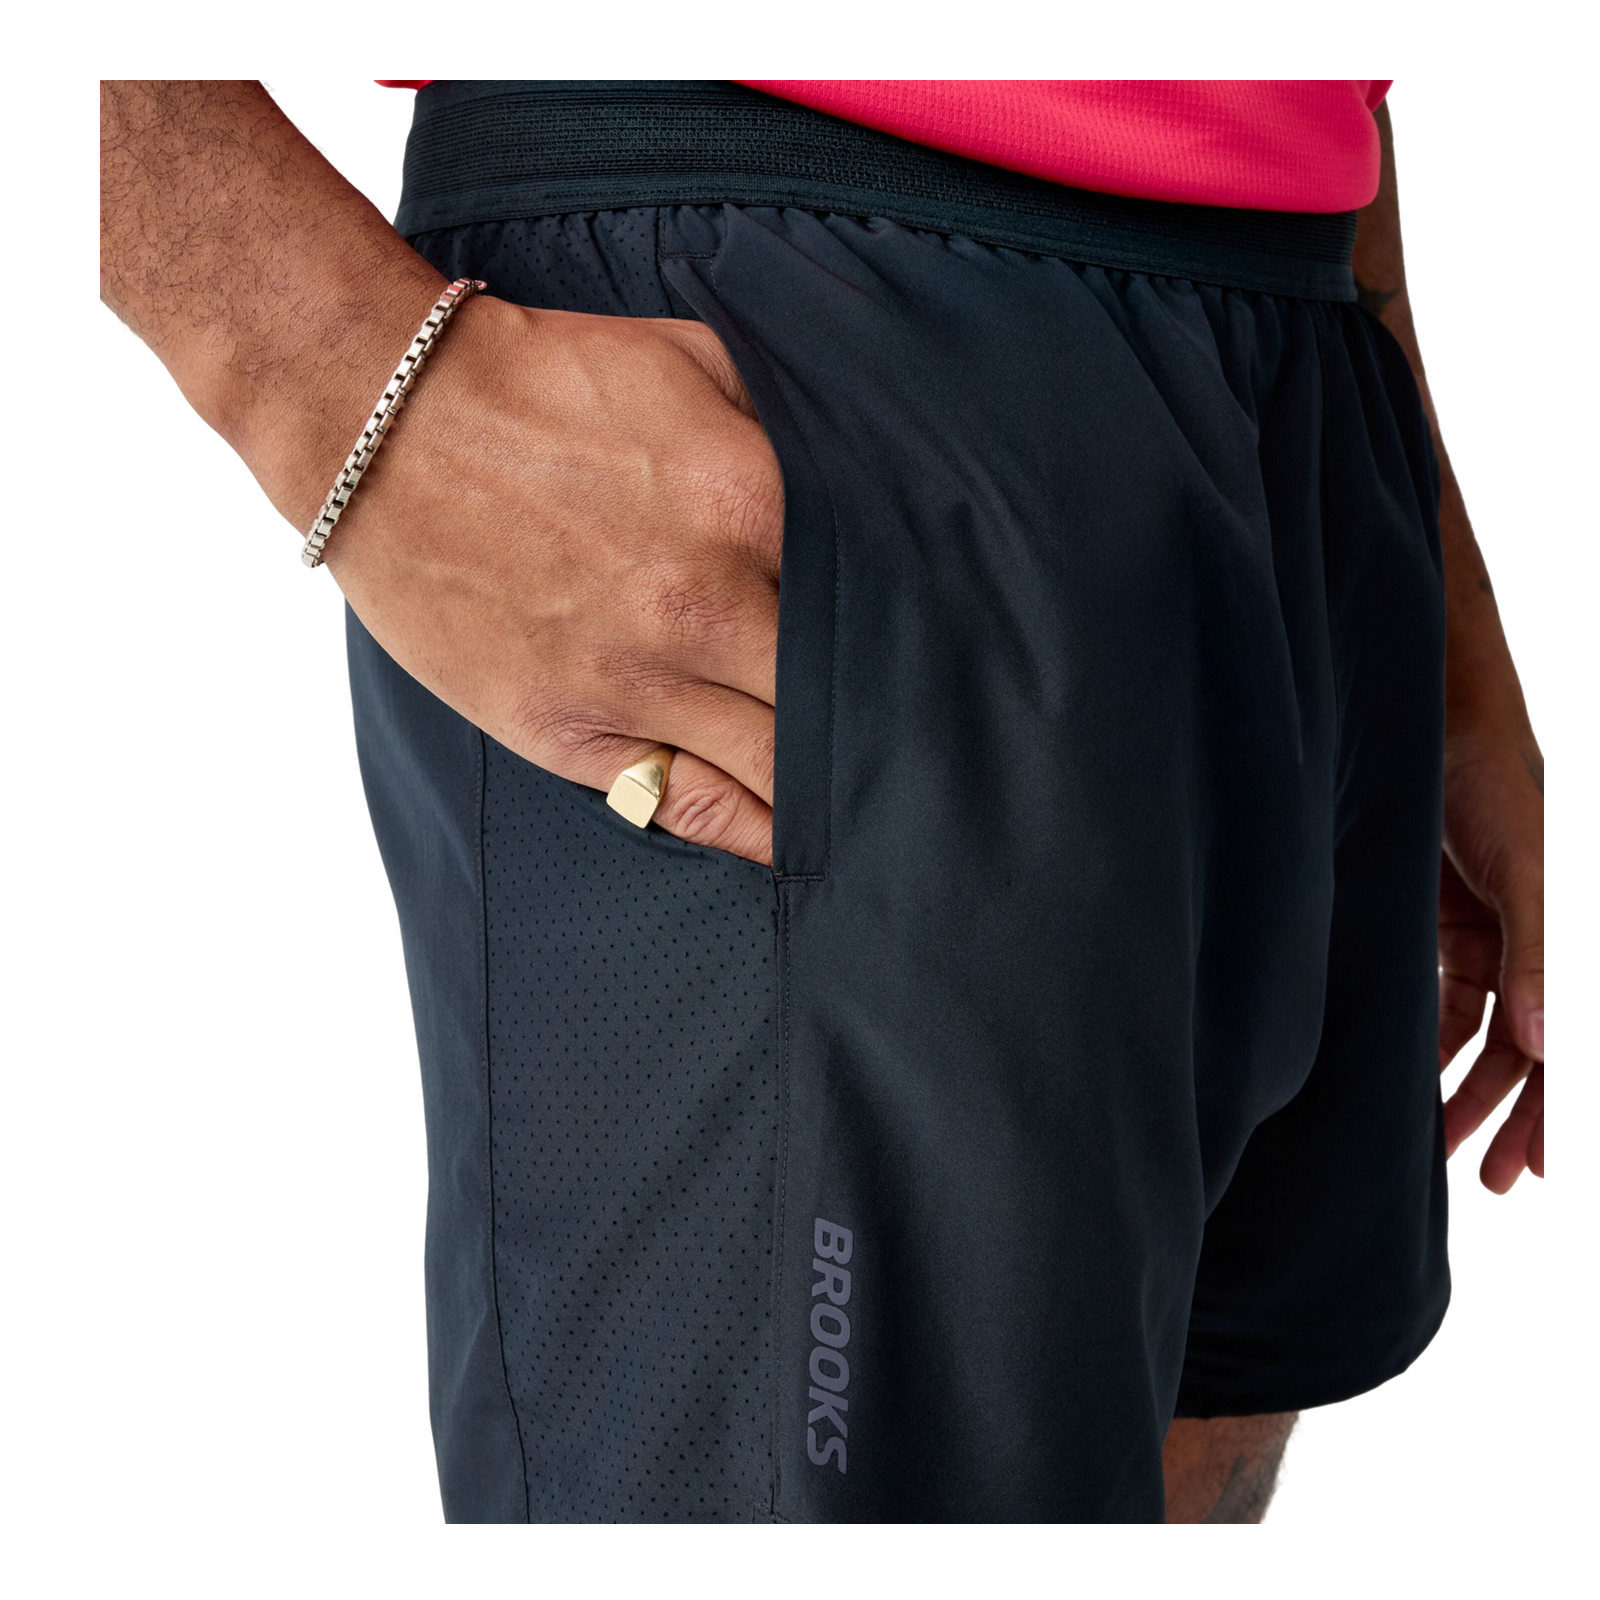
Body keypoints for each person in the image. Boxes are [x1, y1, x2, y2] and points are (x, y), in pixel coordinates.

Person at [99, 79, 1545, 1525]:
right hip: (784, 318)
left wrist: (1461, 669)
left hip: (1296, 355)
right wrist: (324, 365)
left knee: (1208, 1417)